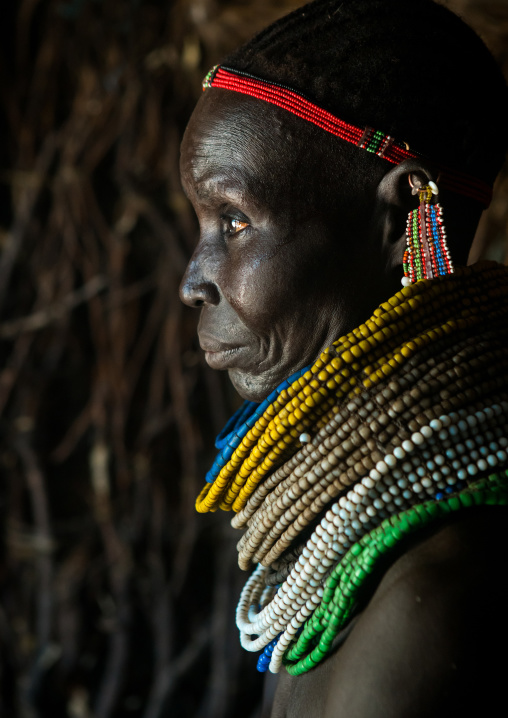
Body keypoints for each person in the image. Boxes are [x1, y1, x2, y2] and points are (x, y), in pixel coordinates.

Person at [179, 0, 508, 715]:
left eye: (233, 221)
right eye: (201, 224)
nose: (192, 280)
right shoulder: (349, 567)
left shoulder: (434, 602)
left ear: (400, 213)